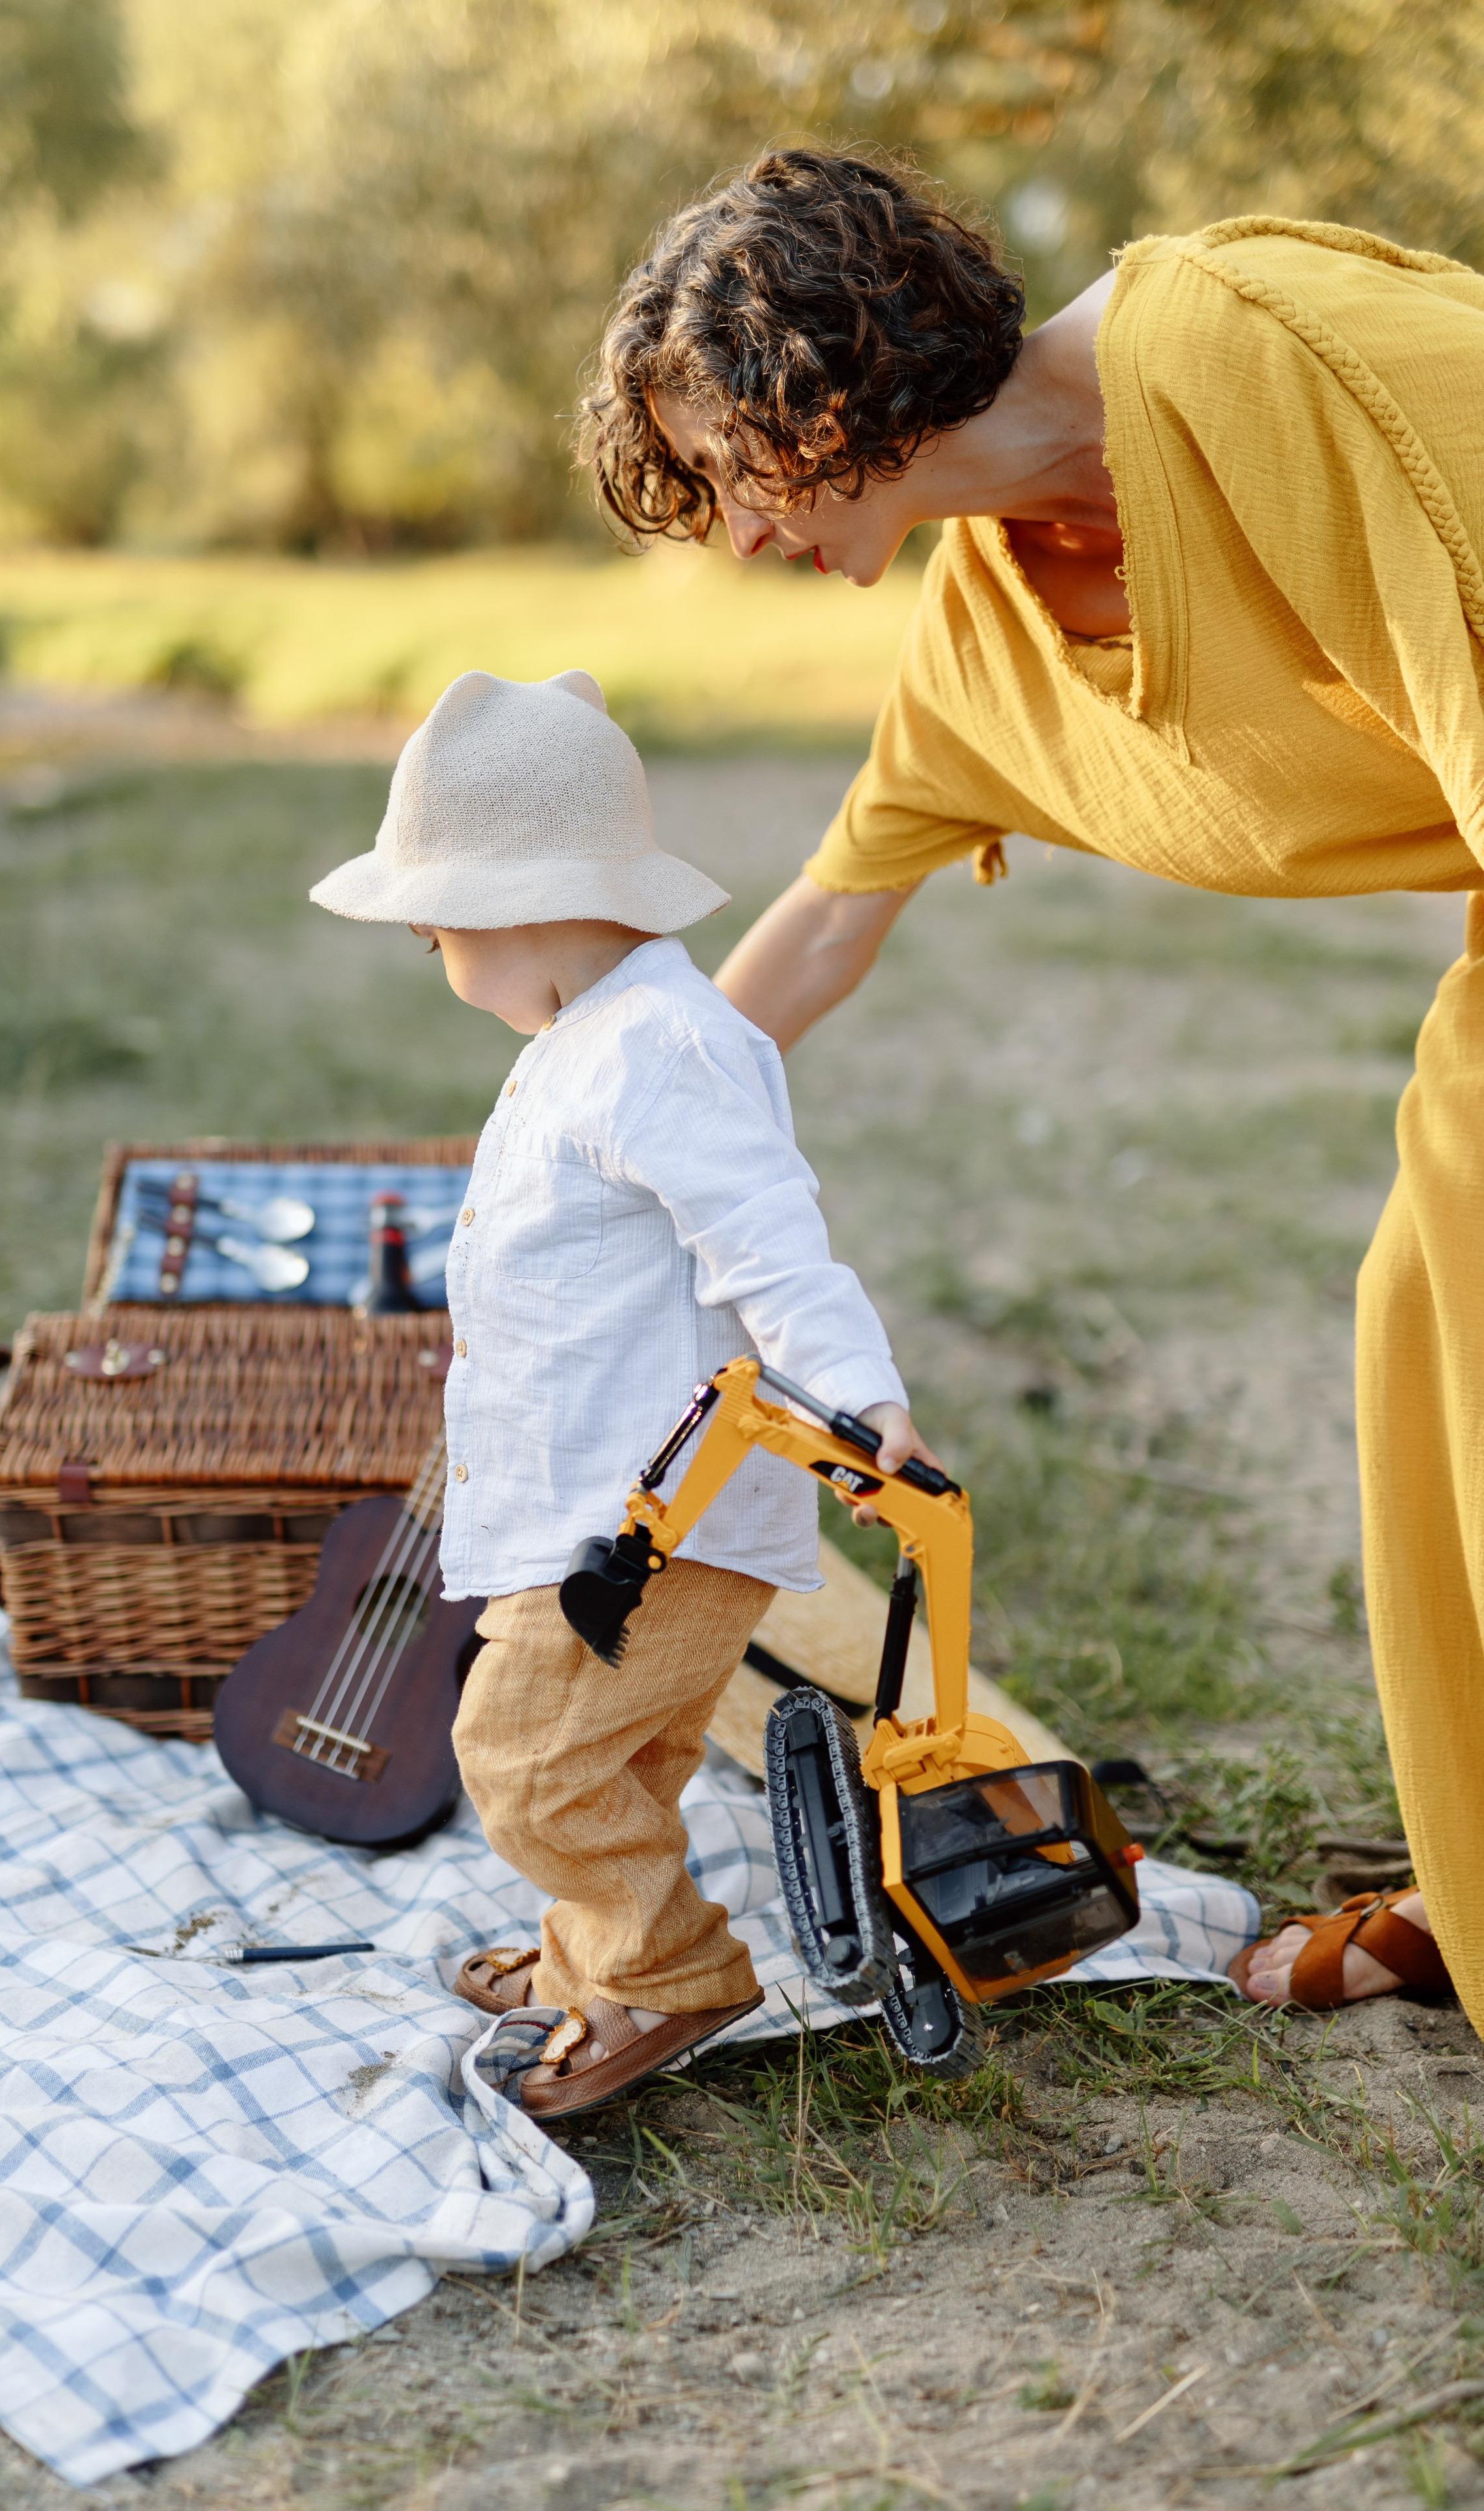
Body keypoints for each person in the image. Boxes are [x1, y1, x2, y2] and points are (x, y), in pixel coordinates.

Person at [578, 145, 1484, 2024]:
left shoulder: (1250, 352)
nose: (738, 538)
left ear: (828, 390)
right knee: (1424, 1314)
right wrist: (587, 1166)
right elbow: (821, 932)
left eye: (736, 476)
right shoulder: (992, 636)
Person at [310, 665, 937, 2116]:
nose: (432, 954)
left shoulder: (663, 1048)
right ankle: (590, 1947)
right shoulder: (586, 1039)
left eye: (433, 935)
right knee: (621, 1757)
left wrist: (859, 1400)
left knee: (521, 1754)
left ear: (523, 910)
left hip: (663, 1513)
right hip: (598, 1500)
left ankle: (663, 1974)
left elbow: (773, 1245)